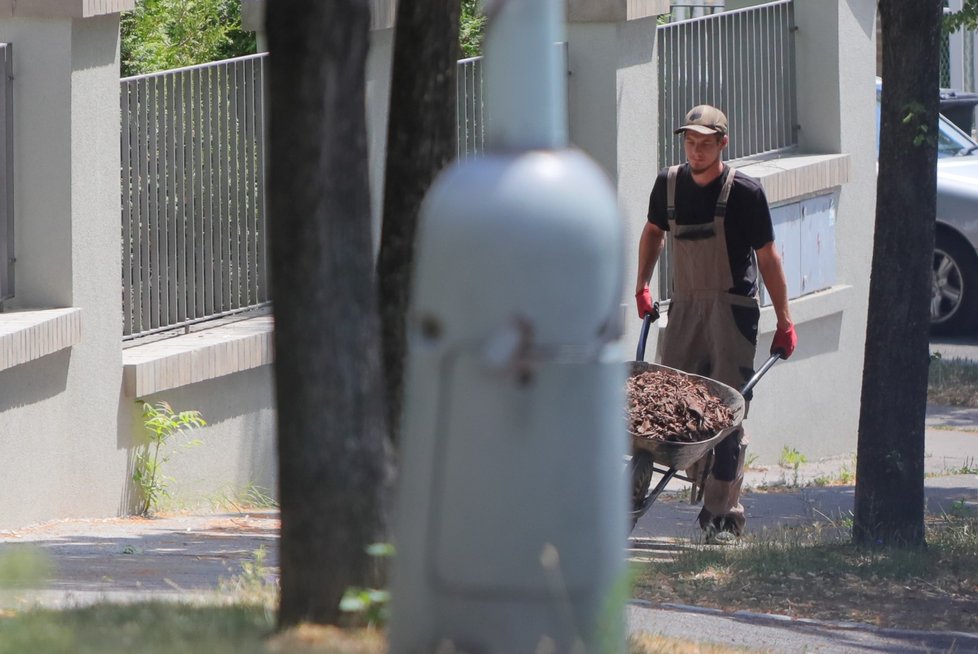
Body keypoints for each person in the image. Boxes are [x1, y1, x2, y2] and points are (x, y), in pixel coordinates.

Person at [634, 104, 797, 544]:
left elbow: (768, 259)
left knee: (726, 414)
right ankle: (632, 493)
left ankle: (722, 516)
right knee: (665, 406)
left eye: (705, 143)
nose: (696, 150)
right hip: (684, 310)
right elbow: (653, 232)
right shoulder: (668, 185)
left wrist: (784, 320)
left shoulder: (744, 192)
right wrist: (642, 287)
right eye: (690, 141)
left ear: (723, 143)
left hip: (732, 313)